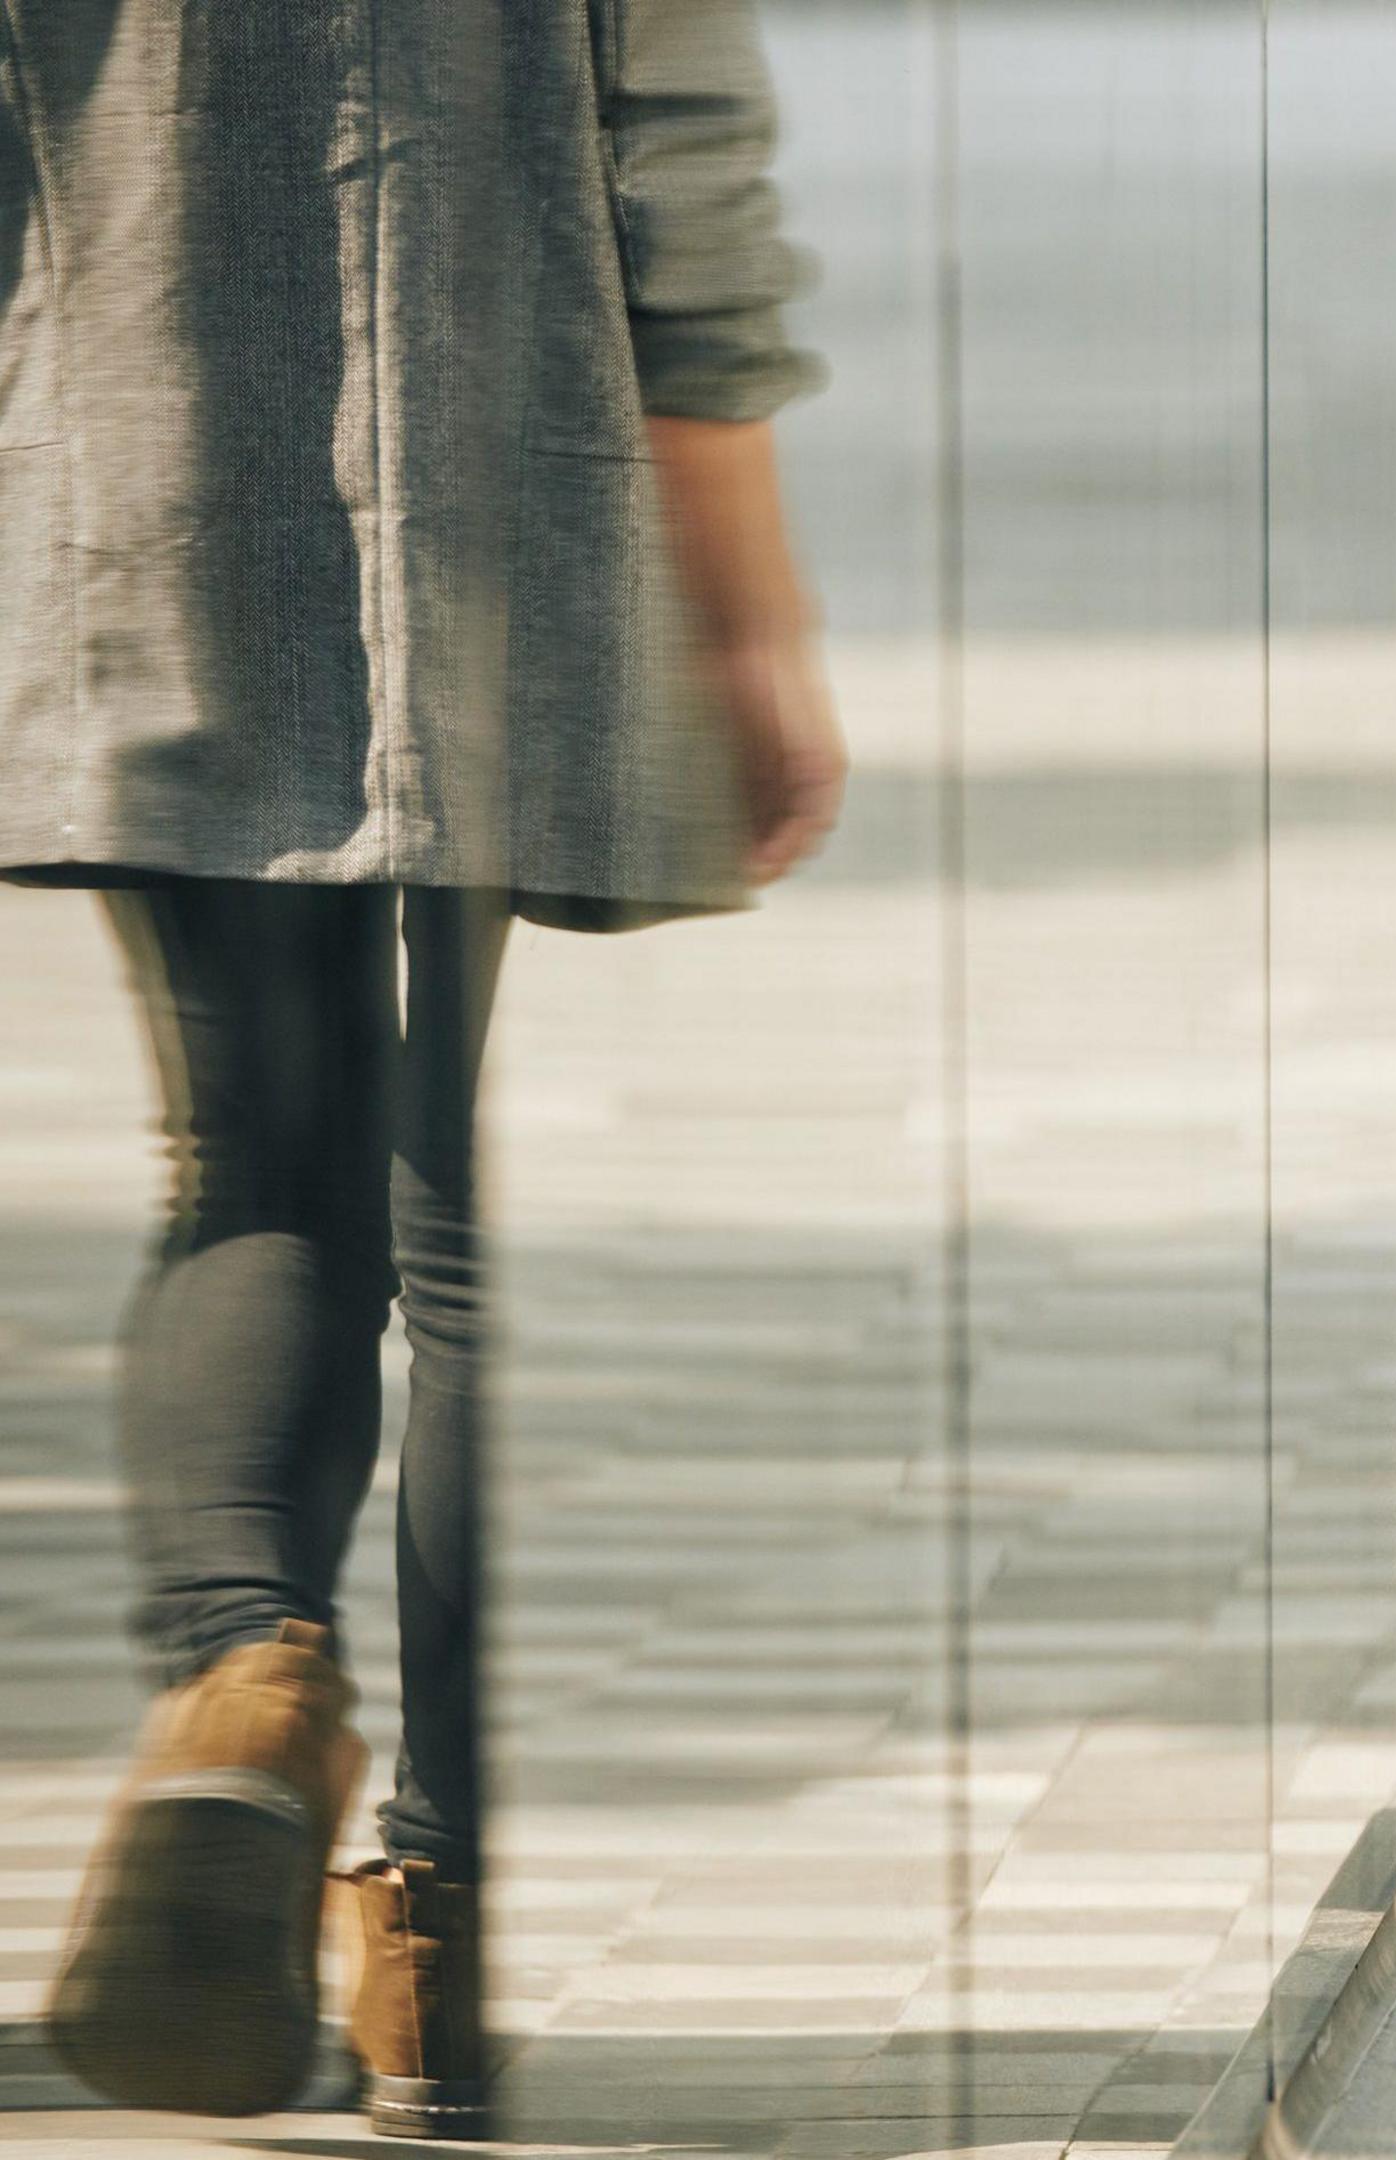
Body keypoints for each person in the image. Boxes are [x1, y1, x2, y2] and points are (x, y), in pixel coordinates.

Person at [0, 2, 837, 2134]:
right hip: (502, 464)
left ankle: (245, 1689)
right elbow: (677, 143)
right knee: (438, 1216)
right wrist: (749, 610)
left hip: (147, 454)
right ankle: (429, 1959)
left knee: (253, 1162)